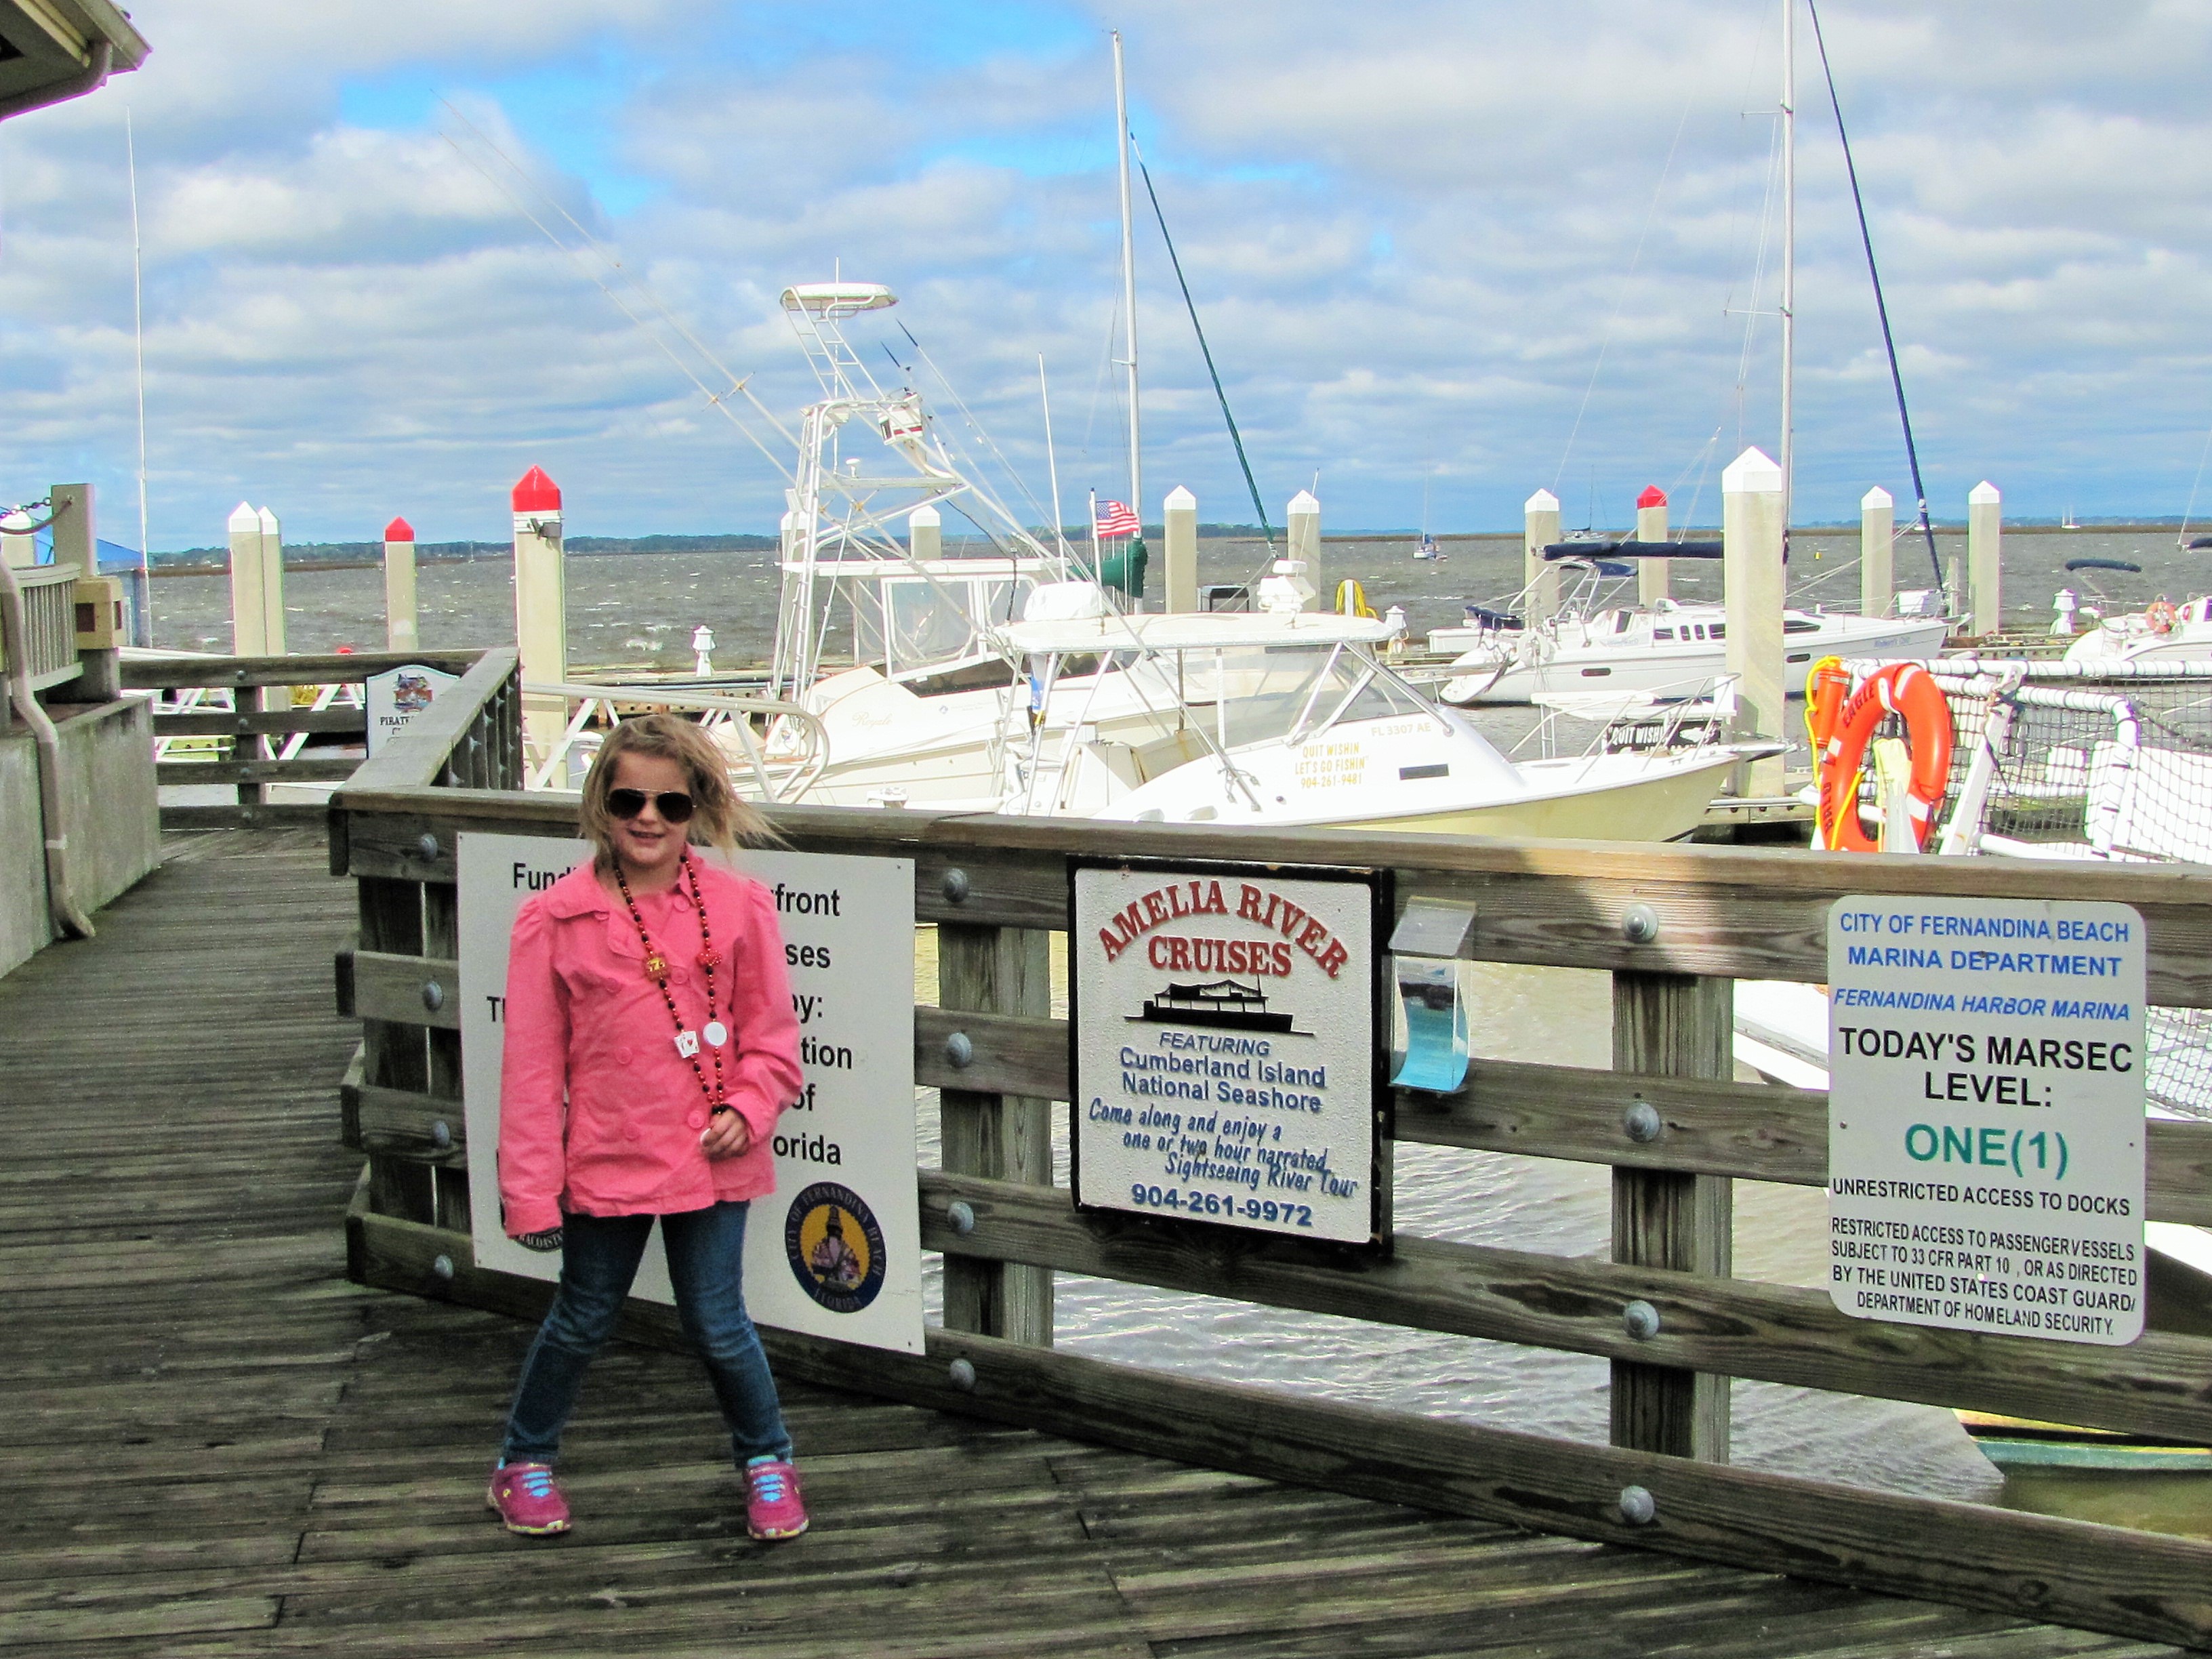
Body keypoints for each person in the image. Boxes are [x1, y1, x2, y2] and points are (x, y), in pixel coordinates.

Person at [487, 712, 808, 1541]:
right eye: (630, 797)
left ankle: (768, 1460)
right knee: (584, 1314)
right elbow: (528, 1074)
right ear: (601, 802)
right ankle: (524, 1462)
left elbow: (773, 1041)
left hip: (712, 1159)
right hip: (605, 1159)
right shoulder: (553, 921)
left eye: (671, 803)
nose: (649, 818)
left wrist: (748, 1105)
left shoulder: (741, 908)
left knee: (717, 1320)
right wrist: (530, 1197)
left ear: (697, 807)